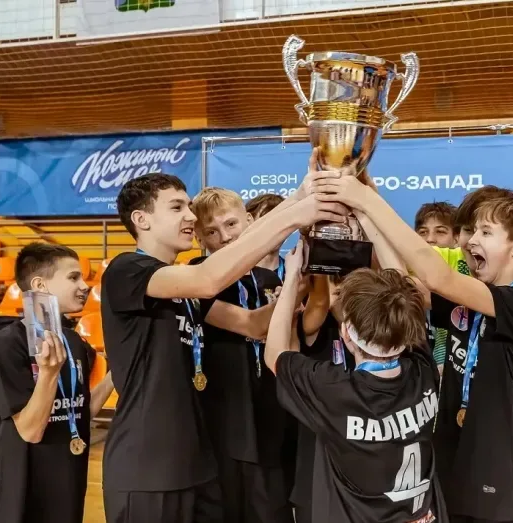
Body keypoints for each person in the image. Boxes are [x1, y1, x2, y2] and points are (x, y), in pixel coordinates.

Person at [100, 173, 345, 523]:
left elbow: (253, 324)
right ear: (142, 219)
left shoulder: (183, 291)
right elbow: (207, 279)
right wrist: (294, 215)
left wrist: (301, 199)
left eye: (188, 207)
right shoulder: (127, 269)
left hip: (197, 460)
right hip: (147, 463)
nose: (190, 216)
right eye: (177, 207)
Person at [313, 175, 513, 523]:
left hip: (504, 486)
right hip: (452, 469)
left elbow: (439, 277)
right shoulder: (469, 301)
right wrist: (366, 215)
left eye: (486, 232)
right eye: (472, 231)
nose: (471, 241)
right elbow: (404, 283)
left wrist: (367, 200)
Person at [265, 242, 446, 523]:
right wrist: (368, 218)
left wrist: (290, 280)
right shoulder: (422, 368)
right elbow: (403, 293)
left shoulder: (333, 390)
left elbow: (274, 355)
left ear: (346, 334)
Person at [0, 243, 114, 523]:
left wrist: (117, 372)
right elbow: (29, 430)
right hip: (16, 482)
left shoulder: (75, 342)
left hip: (66, 475)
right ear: (40, 284)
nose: (84, 286)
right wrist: (49, 374)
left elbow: (80, 412)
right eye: (73, 277)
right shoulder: (5, 345)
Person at [190, 187, 293, 523]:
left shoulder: (267, 278)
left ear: (250, 222)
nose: (225, 237)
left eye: (231, 224)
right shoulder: (196, 276)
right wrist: (297, 288)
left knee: (273, 505)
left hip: (270, 406)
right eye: (211, 232)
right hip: (227, 411)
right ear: (200, 238)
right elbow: (253, 326)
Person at [246, 193, 287, 278]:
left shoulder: (296, 274)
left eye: (281, 221)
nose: (275, 228)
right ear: (249, 223)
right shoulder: (233, 276)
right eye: (267, 221)